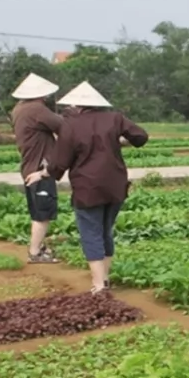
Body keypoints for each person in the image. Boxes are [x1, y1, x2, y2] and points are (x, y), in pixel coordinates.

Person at [50, 81, 149, 293]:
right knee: (105, 231)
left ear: (77, 106)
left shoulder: (71, 125)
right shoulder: (115, 119)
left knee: (91, 233)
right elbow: (141, 136)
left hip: (88, 187)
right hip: (115, 184)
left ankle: (98, 284)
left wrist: (49, 173)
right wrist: (120, 142)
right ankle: (104, 278)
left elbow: (60, 161)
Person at [10, 73, 64, 264]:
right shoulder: (37, 109)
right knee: (43, 213)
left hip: (28, 166)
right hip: (39, 168)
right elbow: (63, 126)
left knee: (37, 211)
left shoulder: (19, 108)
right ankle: (35, 253)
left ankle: (39, 248)